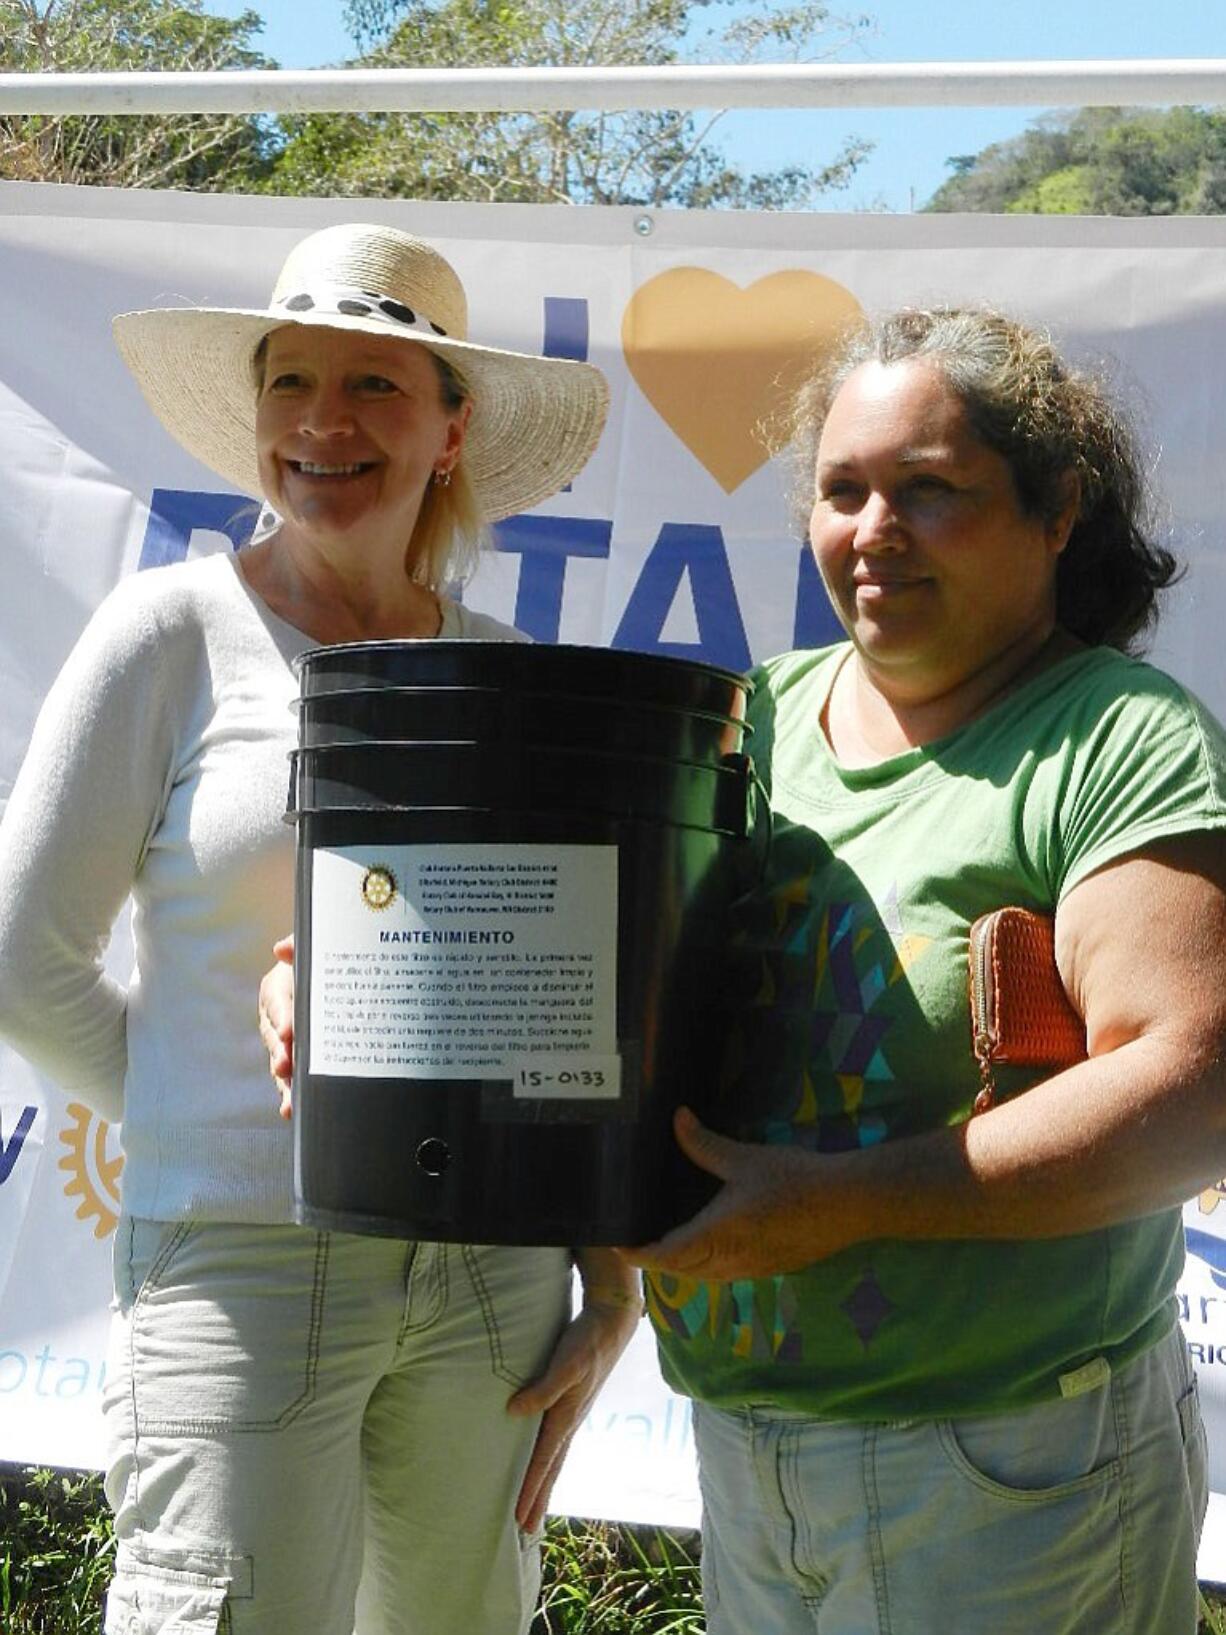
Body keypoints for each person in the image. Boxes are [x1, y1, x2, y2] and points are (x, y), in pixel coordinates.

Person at [0, 222, 643, 1635]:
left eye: (374, 387)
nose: (322, 423)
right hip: (239, 1261)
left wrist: (611, 1274)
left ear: (450, 431)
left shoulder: (507, 673)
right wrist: (240, 1118)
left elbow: (560, 1006)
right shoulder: (168, 635)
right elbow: (24, 966)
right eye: (291, 381)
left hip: (492, 1277)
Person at [622, 306, 1226, 1634]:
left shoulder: (1111, 739)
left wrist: (840, 1203)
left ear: (1055, 512)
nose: (872, 531)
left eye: (929, 491)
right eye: (841, 491)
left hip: (1005, 1466)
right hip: (742, 1438)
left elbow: (1191, 1085)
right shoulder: (754, 719)